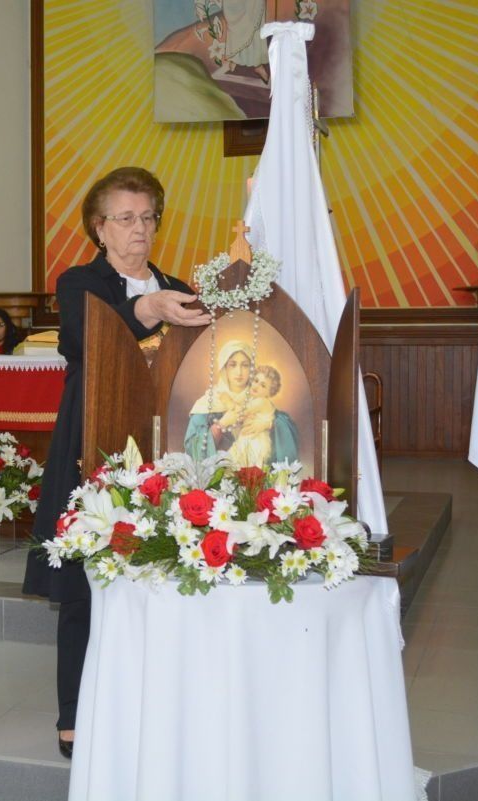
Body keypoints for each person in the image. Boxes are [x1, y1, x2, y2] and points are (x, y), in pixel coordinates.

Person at [21, 166, 210, 759]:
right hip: (93, 450)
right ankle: (73, 715)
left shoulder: (177, 284)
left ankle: (159, 702)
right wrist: (149, 307)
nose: (140, 230)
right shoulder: (80, 281)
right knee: (83, 586)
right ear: (99, 228)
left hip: (164, 452)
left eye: (148, 217)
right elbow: (87, 338)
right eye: (125, 219)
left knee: (162, 579)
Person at [225, 363, 299, 467]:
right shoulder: (254, 399)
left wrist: (227, 400)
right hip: (247, 440)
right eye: (256, 381)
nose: (256, 386)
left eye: (263, 385)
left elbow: (240, 412)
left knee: (246, 469)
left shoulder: (261, 402)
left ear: (269, 393)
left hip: (256, 443)